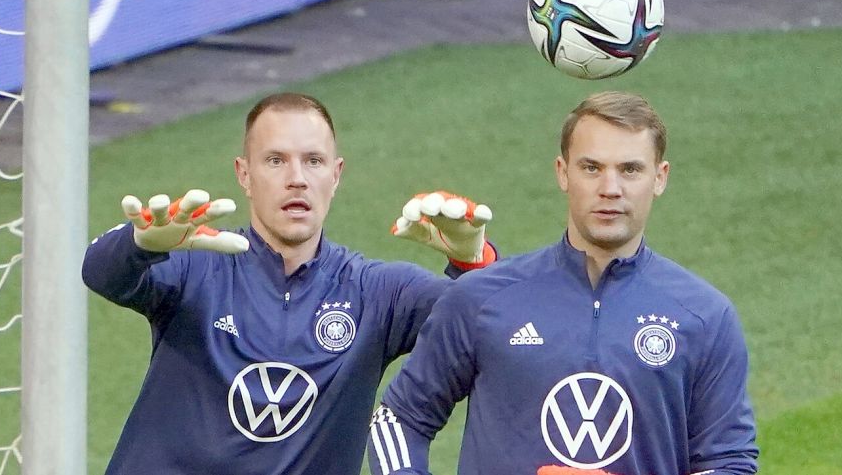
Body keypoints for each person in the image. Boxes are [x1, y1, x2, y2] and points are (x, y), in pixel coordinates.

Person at [81, 92, 496, 475]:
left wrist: (471, 260)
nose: (297, 178)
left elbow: (494, 330)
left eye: (313, 161)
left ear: (336, 176)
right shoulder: (196, 266)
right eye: (275, 161)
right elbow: (100, 274)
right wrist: (137, 244)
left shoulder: (378, 293)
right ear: (244, 174)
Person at [368, 91, 759, 475]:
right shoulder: (481, 298)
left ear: (659, 177)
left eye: (630, 169)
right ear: (562, 172)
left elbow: (729, 462)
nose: (610, 188)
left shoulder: (705, 317)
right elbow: (399, 419)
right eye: (591, 168)